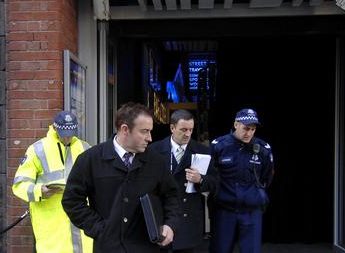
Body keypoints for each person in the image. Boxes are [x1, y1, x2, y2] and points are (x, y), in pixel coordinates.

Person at [62, 102, 180, 252]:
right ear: (125, 129)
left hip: (148, 247)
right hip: (109, 247)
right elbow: (71, 201)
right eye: (144, 131)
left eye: (150, 131)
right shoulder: (90, 159)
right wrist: (100, 229)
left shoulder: (156, 161)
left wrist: (170, 224)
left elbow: (172, 195)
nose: (150, 138)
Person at [12, 110, 93, 253]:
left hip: (81, 223)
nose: (68, 138)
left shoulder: (85, 148)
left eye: (71, 133)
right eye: (64, 134)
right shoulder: (37, 150)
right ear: (54, 128)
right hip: (52, 229)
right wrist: (40, 191)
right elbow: (19, 184)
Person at [148, 110, 219, 253]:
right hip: (163, 215)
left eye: (191, 130)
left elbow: (216, 182)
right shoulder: (154, 150)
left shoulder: (202, 151)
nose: (188, 134)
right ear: (172, 128)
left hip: (189, 218)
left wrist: (201, 179)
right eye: (183, 129)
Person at [209, 108, 275, 253]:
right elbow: (210, 176)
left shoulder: (263, 149)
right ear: (236, 124)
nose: (249, 133)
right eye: (246, 128)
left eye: (253, 129)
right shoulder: (218, 146)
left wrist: (254, 195)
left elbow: (267, 177)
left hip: (251, 211)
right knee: (220, 250)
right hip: (224, 210)